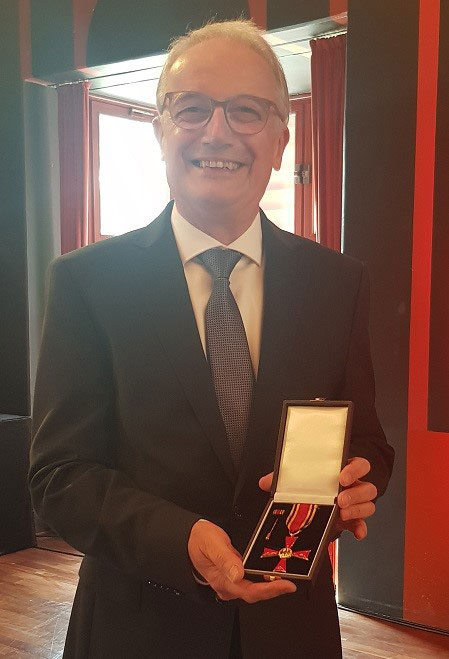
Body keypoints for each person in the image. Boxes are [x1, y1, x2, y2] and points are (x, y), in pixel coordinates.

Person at [29, 19, 394, 659]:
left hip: (292, 627)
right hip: (139, 628)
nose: (217, 132)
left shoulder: (337, 283)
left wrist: (361, 480)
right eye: (192, 108)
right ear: (161, 132)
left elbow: (365, 440)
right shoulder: (87, 282)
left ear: (281, 138)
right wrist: (181, 540)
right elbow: (60, 476)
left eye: (246, 111)